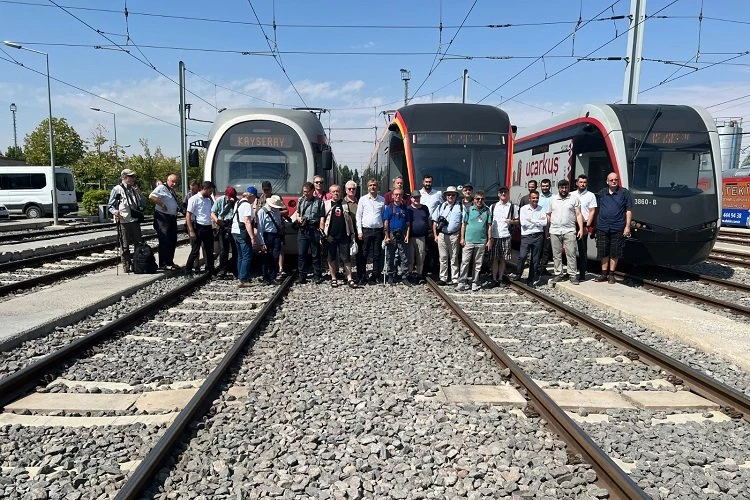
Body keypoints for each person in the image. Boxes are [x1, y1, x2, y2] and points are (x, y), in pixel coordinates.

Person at [595, 172, 633, 283]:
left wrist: (627, 226)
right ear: (607, 181)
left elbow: (629, 211)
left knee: (615, 252)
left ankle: (611, 274)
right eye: (611, 180)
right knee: (603, 251)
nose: (613, 181)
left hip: (618, 227)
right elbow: (595, 209)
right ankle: (603, 274)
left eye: (615, 179)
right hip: (602, 227)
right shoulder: (601, 193)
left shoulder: (624, 193)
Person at [108, 169, 145, 273]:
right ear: (124, 177)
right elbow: (110, 205)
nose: (133, 178)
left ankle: (138, 264)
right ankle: (126, 266)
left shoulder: (134, 189)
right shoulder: (117, 189)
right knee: (125, 245)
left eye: (133, 176)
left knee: (138, 243)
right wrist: (115, 212)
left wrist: (140, 193)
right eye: (131, 176)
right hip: (124, 221)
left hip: (134, 220)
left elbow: (143, 203)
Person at [547, 179, 583, 285]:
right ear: (558, 188)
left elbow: (579, 214)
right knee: (556, 254)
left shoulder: (574, 199)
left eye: (566, 187)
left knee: (571, 253)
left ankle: (572, 275)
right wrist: (547, 230)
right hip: (554, 230)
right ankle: (558, 274)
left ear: (568, 188)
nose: (564, 190)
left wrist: (580, 228)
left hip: (569, 230)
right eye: (562, 188)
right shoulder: (553, 200)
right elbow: (548, 215)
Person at [322, 184, 357, 288]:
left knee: (346, 258)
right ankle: (333, 278)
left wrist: (352, 233)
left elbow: (349, 220)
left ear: (340, 192)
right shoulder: (326, 204)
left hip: (343, 235)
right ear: (330, 193)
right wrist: (322, 234)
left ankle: (349, 278)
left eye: (337, 191)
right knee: (331, 258)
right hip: (330, 236)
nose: (336, 193)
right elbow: (322, 220)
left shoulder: (345, 204)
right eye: (333, 192)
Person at [457, 190, 492, 292]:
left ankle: (475, 282)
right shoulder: (469, 209)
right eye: (477, 199)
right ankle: (462, 282)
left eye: (482, 199)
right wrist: (462, 238)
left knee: (478, 264)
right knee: (465, 262)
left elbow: (489, 226)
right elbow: (464, 224)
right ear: (474, 199)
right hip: (469, 240)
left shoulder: (487, 211)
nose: (480, 201)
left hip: (481, 241)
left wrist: (489, 240)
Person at [356, 179, 385, 285]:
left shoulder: (382, 200)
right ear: (367, 187)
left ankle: (375, 275)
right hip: (366, 230)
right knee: (364, 254)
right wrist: (359, 231)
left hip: (378, 231)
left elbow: (383, 215)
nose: (372, 187)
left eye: (374, 185)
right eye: (370, 185)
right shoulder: (363, 199)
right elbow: (358, 216)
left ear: (377, 187)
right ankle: (362, 276)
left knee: (377, 254)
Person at [148, 173, 180, 270]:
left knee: (172, 240)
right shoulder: (162, 187)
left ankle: (170, 261)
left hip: (171, 218)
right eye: (172, 181)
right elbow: (151, 196)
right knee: (165, 240)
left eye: (176, 182)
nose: (174, 184)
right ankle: (163, 263)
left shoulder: (171, 190)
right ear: (168, 180)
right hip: (163, 218)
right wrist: (162, 204)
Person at [294, 181, 324, 284]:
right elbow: (297, 212)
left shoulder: (319, 202)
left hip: (314, 229)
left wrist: (321, 232)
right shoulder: (301, 201)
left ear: (312, 191)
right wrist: (299, 219)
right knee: (302, 254)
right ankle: (302, 275)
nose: (305, 194)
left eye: (307, 192)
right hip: (303, 230)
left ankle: (317, 275)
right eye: (304, 192)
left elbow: (321, 217)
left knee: (315, 254)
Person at [433, 186, 463, 286]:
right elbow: (434, 221)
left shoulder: (460, 207)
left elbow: (463, 223)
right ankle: (443, 278)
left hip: (454, 235)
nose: (450, 196)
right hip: (442, 235)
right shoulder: (441, 206)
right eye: (449, 194)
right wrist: (435, 235)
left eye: (453, 195)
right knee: (443, 257)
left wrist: (461, 236)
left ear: (456, 196)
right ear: (446, 196)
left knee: (454, 258)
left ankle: (455, 278)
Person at [185, 181, 216, 275]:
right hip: (198, 227)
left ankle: (211, 270)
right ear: (205, 189)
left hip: (208, 226)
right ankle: (188, 270)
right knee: (195, 250)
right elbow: (188, 215)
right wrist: (191, 230)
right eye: (210, 190)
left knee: (209, 250)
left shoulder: (208, 199)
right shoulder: (194, 199)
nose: (211, 192)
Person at [516, 191, 547, 287]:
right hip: (526, 236)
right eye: (533, 198)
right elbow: (524, 223)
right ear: (529, 198)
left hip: (538, 236)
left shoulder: (542, 209)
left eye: (537, 198)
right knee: (523, 256)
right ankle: (518, 274)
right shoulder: (524, 209)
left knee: (535, 259)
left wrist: (532, 220)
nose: (535, 200)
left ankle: (531, 279)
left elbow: (545, 223)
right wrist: (538, 222)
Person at [572, 174, 598, 282]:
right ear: (577, 183)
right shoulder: (571, 194)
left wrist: (587, 226)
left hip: (584, 224)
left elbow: (592, 211)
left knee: (582, 250)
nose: (582, 184)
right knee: (571, 249)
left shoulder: (591, 195)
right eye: (581, 182)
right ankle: (572, 273)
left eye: (584, 182)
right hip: (572, 224)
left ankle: (582, 274)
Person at [489, 187, 516, 286]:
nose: (503, 193)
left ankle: (500, 278)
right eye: (501, 192)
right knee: (495, 258)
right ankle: (494, 278)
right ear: (498, 194)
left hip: (506, 235)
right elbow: (489, 222)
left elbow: (518, 220)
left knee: (503, 259)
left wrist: (512, 221)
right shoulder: (493, 206)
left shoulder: (513, 207)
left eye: (505, 192)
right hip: (495, 236)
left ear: (508, 193)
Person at [383, 188, 410, 285]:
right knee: (390, 256)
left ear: (402, 196)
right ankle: (391, 275)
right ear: (393, 196)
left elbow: (407, 224)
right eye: (396, 194)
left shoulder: (404, 208)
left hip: (402, 234)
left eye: (400, 195)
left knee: (404, 256)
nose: (398, 196)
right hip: (392, 234)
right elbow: (386, 223)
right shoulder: (389, 208)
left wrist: (407, 235)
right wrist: (387, 237)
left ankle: (404, 276)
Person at [257, 194, 285, 284]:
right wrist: (262, 242)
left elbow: (279, 223)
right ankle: (265, 277)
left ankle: (273, 276)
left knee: (275, 256)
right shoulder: (262, 212)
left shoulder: (277, 211)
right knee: (265, 257)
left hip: (276, 235)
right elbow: (260, 228)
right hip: (267, 235)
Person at [232, 187, 257, 287]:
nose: (255, 200)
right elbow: (247, 221)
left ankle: (240, 276)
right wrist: (252, 237)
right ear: (251, 196)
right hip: (242, 232)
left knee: (241, 255)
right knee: (247, 255)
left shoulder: (238, 203)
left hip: (235, 231)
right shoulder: (247, 205)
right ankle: (243, 279)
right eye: (255, 197)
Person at [211, 186, 238, 278]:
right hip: (223, 224)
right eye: (230, 196)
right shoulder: (220, 200)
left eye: (233, 196)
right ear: (226, 195)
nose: (231, 198)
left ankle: (235, 268)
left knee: (235, 248)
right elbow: (213, 212)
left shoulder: (236, 202)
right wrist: (217, 221)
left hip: (233, 225)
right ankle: (223, 269)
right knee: (223, 249)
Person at [419, 174, 443, 276]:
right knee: (423, 248)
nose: (428, 184)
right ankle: (423, 269)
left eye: (429, 182)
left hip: (434, 225)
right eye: (426, 182)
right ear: (423, 182)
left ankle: (433, 268)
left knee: (434, 247)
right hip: (422, 224)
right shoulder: (419, 194)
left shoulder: (437, 194)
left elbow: (442, 206)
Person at [406, 190, 430, 284]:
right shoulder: (408, 209)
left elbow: (428, 220)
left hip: (421, 237)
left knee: (421, 256)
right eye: (414, 197)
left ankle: (419, 275)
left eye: (418, 197)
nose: (416, 199)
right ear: (411, 198)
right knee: (410, 258)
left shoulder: (425, 208)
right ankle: (410, 274)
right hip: (411, 237)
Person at [343, 180, 363, 281]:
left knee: (360, 253)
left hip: (358, 231)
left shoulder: (360, 202)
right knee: (346, 254)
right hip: (346, 232)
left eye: (353, 189)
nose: (351, 190)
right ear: (346, 190)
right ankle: (347, 274)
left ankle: (360, 274)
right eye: (349, 189)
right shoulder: (342, 203)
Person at [535, 178, 554, 277]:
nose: (545, 188)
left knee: (547, 249)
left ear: (550, 186)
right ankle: (536, 267)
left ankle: (543, 268)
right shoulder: (538, 197)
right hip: (539, 227)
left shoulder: (554, 197)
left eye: (547, 186)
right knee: (538, 248)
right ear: (540, 186)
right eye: (543, 186)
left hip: (550, 226)